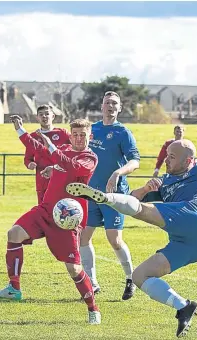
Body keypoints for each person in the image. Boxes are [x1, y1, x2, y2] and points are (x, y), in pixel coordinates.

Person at [66, 140, 197, 337]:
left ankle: (103, 198)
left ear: (188, 160)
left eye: (172, 157)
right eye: (166, 155)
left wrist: (106, 198)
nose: (166, 160)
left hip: (195, 217)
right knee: (140, 276)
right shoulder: (165, 181)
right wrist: (146, 189)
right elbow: (133, 198)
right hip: (193, 245)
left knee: (143, 212)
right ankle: (184, 306)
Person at [0, 116, 102, 325]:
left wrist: (51, 148)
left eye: (83, 135)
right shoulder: (65, 150)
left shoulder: (89, 158)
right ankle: (14, 288)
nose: (78, 139)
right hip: (45, 210)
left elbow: (71, 167)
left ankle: (93, 308)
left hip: (66, 220)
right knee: (14, 234)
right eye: (75, 135)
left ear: (90, 136)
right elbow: (40, 150)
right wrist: (20, 131)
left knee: (74, 269)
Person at [80, 91, 140, 300]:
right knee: (83, 238)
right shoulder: (92, 129)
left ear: (120, 108)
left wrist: (117, 173)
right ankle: (92, 284)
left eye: (115, 103)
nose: (111, 106)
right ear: (102, 106)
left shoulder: (123, 132)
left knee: (114, 240)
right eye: (108, 103)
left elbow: (135, 161)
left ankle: (131, 279)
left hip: (113, 196)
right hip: (90, 194)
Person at [24, 104, 71, 204]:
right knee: (43, 211)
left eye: (47, 114)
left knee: (62, 211)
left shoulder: (63, 133)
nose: (44, 116)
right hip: (42, 181)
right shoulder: (32, 136)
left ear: (53, 116)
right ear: (37, 117)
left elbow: (74, 152)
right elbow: (27, 158)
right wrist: (30, 164)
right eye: (41, 114)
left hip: (61, 180)